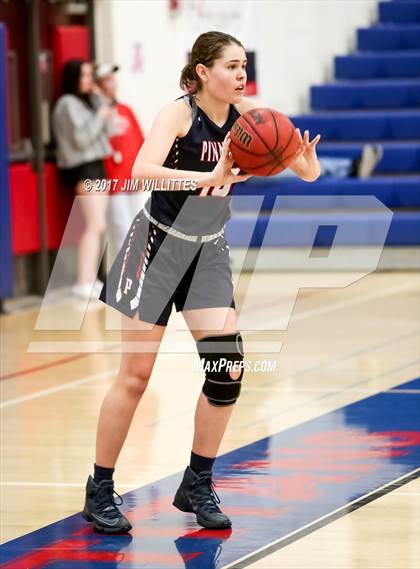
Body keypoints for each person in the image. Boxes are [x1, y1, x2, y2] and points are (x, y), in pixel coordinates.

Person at [82, 31, 321, 534]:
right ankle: (99, 488)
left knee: (227, 370)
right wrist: (203, 176)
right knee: (136, 377)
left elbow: (304, 171)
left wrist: (307, 162)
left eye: (243, 66)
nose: (240, 75)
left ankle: (197, 481)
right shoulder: (179, 113)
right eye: (231, 66)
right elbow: (141, 170)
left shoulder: (251, 116)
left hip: (207, 249)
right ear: (202, 72)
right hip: (155, 246)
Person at [52, 59, 116, 299]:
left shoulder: (87, 102)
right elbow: (81, 139)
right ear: (74, 78)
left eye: (91, 75)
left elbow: (109, 133)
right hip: (83, 167)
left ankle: (91, 278)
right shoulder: (67, 104)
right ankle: (84, 280)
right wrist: (99, 116)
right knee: (95, 224)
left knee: (100, 225)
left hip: (98, 165)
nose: (90, 80)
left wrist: (99, 101)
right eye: (86, 76)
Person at [94, 63, 149, 265]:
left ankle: (137, 275)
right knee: (121, 230)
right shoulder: (96, 113)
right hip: (112, 182)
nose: (112, 83)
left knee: (139, 230)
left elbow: (141, 143)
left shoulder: (126, 109)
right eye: (106, 79)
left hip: (133, 180)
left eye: (112, 78)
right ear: (97, 85)